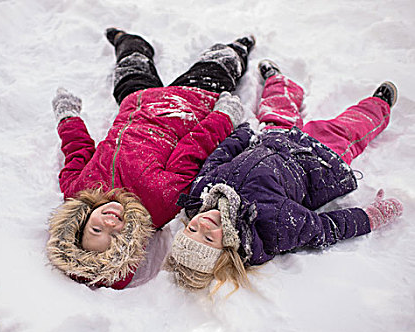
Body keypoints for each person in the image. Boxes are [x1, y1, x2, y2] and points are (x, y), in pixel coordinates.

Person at [165, 59, 404, 294]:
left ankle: (279, 81)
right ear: (229, 248)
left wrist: (244, 135)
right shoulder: (272, 225)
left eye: (192, 231)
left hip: (270, 138)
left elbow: (217, 158)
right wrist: (369, 217)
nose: (203, 225)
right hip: (316, 158)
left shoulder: (202, 194)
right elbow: (323, 228)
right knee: (347, 129)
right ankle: (378, 105)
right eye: (208, 239)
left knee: (276, 109)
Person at [46, 28, 256, 289]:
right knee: (218, 66)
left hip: (136, 102)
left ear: (79, 224)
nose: (111, 223)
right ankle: (239, 46)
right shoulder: (157, 204)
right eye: (116, 236)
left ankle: (129, 41)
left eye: (97, 230)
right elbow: (192, 151)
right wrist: (223, 118)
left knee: (130, 62)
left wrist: (67, 116)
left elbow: (76, 149)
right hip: (187, 103)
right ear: (131, 240)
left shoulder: (78, 191)